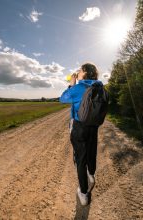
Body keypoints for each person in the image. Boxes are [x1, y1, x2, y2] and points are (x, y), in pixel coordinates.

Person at [59, 62, 103, 206]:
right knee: (92, 151)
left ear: (85, 72)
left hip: (79, 126)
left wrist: (71, 84)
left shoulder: (79, 87)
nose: (77, 72)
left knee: (80, 159)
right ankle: (91, 174)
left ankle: (83, 193)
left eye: (80, 70)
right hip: (94, 126)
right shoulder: (100, 87)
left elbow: (63, 99)